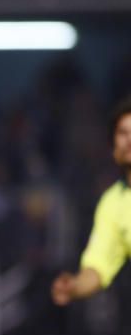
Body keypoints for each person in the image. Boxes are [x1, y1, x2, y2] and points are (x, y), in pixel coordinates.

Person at [51, 97, 131, 306]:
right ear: (113, 145)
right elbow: (98, 267)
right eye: (123, 133)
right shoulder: (113, 203)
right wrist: (75, 286)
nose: (129, 139)